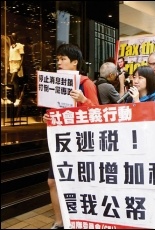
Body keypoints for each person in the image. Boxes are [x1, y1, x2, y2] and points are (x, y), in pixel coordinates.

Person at [43, 43, 99, 229]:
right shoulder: (55, 83)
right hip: (60, 141)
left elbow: (98, 113)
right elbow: (53, 111)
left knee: (78, 183)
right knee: (53, 182)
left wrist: (83, 100)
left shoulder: (86, 83)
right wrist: (48, 117)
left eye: (63, 59)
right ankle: (59, 222)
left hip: (81, 142)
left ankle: (82, 220)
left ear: (74, 62)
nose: (59, 62)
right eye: (58, 59)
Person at [9, 32, 25, 105]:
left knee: (12, 80)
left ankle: (17, 98)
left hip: (17, 64)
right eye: (12, 36)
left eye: (14, 36)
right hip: (11, 64)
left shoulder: (20, 46)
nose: (13, 38)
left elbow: (22, 57)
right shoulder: (11, 46)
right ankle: (17, 98)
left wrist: (20, 65)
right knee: (15, 82)